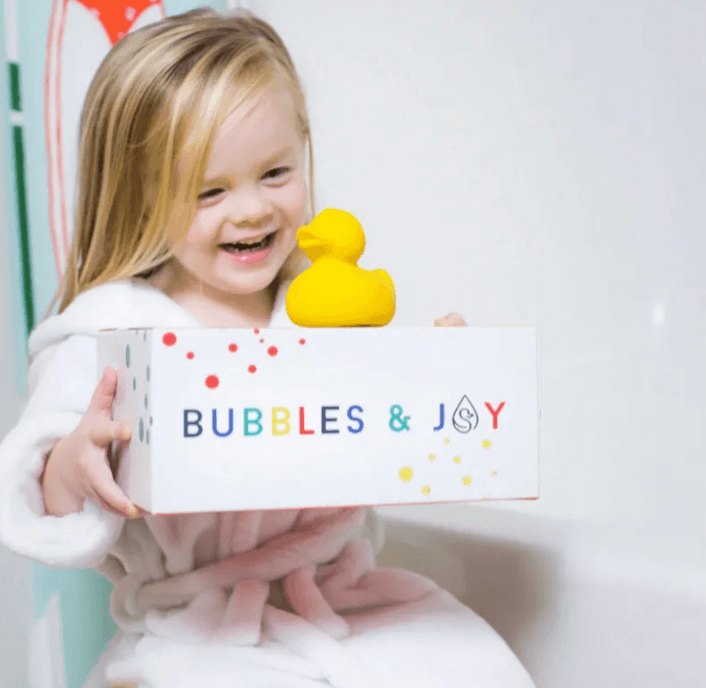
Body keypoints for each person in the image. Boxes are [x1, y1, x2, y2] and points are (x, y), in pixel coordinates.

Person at [0, 9, 535, 688]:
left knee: (466, 658)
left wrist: (439, 377)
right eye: (210, 191)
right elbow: (35, 477)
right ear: (139, 196)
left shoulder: (319, 311)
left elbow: (380, 427)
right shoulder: (107, 332)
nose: (251, 210)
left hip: (343, 598)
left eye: (275, 173)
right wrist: (75, 464)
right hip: (197, 628)